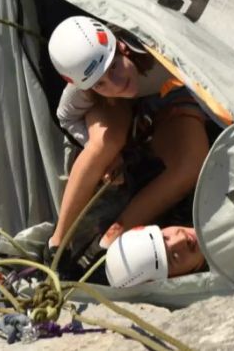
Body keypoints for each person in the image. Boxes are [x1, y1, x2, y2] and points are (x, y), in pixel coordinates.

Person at [45, 15, 211, 279]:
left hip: (174, 95)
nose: (115, 82)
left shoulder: (160, 47)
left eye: (113, 68)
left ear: (122, 48)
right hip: (120, 111)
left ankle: (110, 242)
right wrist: (111, 152)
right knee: (105, 142)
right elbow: (67, 118)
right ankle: (57, 246)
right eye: (101, 82)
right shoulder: (86, 90)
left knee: (190, 166)